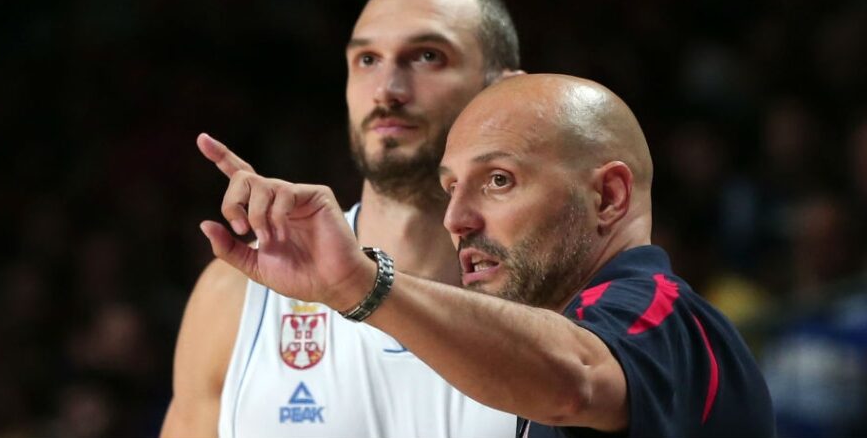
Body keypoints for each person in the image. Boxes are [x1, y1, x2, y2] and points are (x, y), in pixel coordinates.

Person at [197, 73, 777, 437]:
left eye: (499, 180)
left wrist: (360, 282)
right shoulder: (542, 355)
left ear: (608, 197)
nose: (456, 219)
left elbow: (576, 378)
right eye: (451, 188)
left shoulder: (663, 315)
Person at [161, 0, 522, 437]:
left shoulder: (554, 293)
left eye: (427, 56)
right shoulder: (237, 296)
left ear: (503, 90)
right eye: (367, 59)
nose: (387, 89)